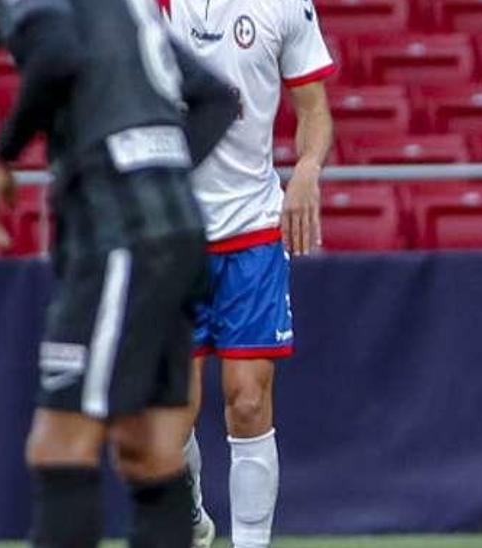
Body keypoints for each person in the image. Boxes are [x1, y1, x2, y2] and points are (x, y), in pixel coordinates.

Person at [0, 0, 239, 546]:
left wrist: (0, 156)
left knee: (60, 445)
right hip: (178, 236)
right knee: (149, 449)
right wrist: (162, 167)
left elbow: (56, 56)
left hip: (119, 241)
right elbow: (217, 98)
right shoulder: (118, 9)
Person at [160, 0, 335, 546]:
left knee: (248, 398)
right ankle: (189, 516)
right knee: (172, 417)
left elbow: (314, 108)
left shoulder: (284, 5)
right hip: (172, 230)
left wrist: (307, 168)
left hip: (253, 228)